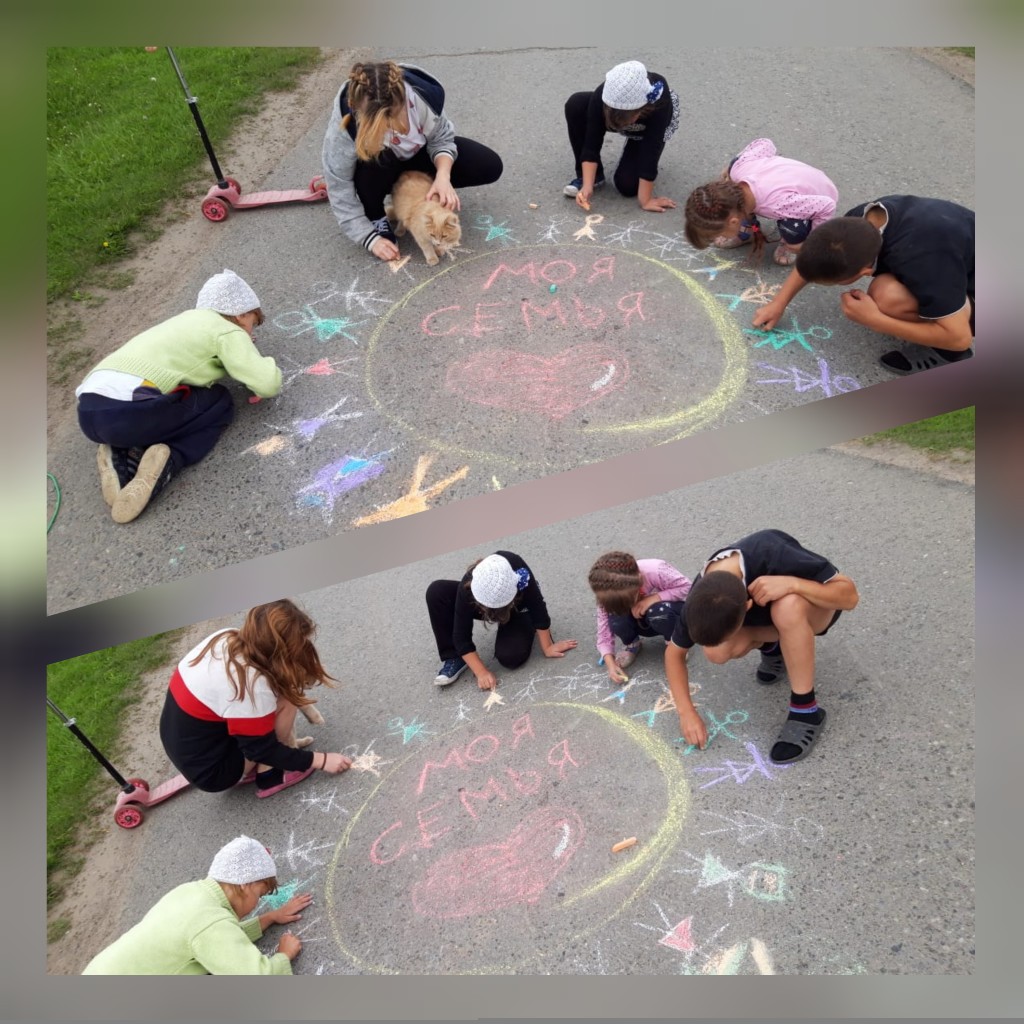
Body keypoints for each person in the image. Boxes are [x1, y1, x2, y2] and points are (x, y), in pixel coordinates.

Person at [75, 268, 282, 524]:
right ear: (241, 314)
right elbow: (268, 383)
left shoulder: (183, 322)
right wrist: (259, 362)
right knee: (218, 401)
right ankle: (169, 459)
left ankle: (120, 456)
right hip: (130, 414)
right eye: (252, 324)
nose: (251, 334)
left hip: (89, 412)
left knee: (173, 399)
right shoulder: (227, 330)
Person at [665, 529, 859, 765]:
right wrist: (686, 712)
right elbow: (674, 654)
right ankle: (774, 649)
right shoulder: (700, 599)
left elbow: (849, 597)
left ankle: (806, 711)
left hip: (816, 609)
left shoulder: (772, 550)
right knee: (716, 651)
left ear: (748, 607)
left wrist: (793, 584)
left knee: (787, 607)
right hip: (770, 620)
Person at [751, 195, 975, 374]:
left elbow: (959, 338)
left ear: (865, 272)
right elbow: (815, 258)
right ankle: (940, 312)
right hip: (954, 256)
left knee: (888, 297)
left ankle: (946, 353)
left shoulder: (924, 261)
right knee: (889, 288)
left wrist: (876, 321)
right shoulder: (859, 222)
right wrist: (779, 303)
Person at [159, 600, 353, 798]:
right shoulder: (251, 685)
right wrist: (321, 760)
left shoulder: (227, 636)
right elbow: (262, 750)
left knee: (278, 688)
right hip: (213, 773)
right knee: (287, 696)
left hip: (189, 749)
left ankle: (253, 764)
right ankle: (270, 775)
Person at [321, 59, 503, 261]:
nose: (389, 127)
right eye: (379, 123)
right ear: (355, 107)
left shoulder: (420, 97)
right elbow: (338, 185)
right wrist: (368, 237)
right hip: (377, 171)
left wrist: (443, 176)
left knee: (488, 165)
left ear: (404, 100)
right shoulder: (345, 123)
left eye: (393, 118)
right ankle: (375, 214)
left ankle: (414, 194)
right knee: (378, 157)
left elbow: (441, 138)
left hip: (416, 159)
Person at [82, 835, 308, 974]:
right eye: (260, 895)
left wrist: (269, 918)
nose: (258, 902)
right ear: (245, 885)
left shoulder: (190, 892)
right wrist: (284, 955)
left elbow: (215, 939)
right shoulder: (209, 924)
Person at [425, 551, 578, 688]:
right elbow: (461, 636)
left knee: (511, 657)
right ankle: (455, 657)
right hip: (484, 601)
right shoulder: (471, 584)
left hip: (518, 607)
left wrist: (548, 646)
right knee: (437, 591)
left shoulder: (516, 567)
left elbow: (537, 606)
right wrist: (481, 672)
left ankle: (523, 622)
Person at [683, 137, 838, 266]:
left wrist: (811, 242)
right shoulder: (737, 170)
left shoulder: (778, 204)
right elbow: (765, 143)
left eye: (718, 233)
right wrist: (733, 166)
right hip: (791, 179)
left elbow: (827, 205)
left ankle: (790, 242)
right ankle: (749, 232)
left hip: (819, 192)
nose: (716, 237)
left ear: (733, 222)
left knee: (793, 229)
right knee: (736, 197)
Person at [562, 59, 679, 213]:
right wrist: (587, 186)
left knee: (627, 186)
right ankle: (595, 177)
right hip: (617, 113)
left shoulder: (658, 99)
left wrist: (646, 200)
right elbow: (592, 142)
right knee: (576, 104)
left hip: (646, 129)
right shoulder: (602, 96)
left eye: (625, 123)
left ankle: (633, 143)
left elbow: (652, 147)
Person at [587, 551, 692, 684]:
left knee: (658, 612)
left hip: (669, 612)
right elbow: (604, 631)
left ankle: (675, 643)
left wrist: (654, 598)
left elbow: (688, 587)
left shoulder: (655, 570)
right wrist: (610, 663)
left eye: (630, 599)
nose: (629, 605)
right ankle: (633, 644)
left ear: (639, 580)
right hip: (642, 619)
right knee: (615, 617)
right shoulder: (607, 594)